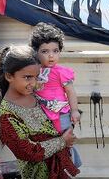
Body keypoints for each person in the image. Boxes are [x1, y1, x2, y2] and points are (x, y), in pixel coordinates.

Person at [0, 45, 79, 179]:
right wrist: (62, 141)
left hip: (60, 174)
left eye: (36, 77)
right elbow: (28, 152)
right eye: (27, 78)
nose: (33, 83)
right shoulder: (6, 114)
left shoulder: (37, 96)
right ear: (9, 76)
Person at [29, 23, 81, 154]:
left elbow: (70, 91)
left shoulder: (61, 72)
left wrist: (74, 111)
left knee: (66, 141)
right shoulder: (33, 70)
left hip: (61, 113)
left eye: (55, 51)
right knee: (47, 143)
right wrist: (35, 85)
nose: (51, 55)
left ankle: (68, 167)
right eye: (45, 51)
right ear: (36, 52)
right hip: (40, 114)